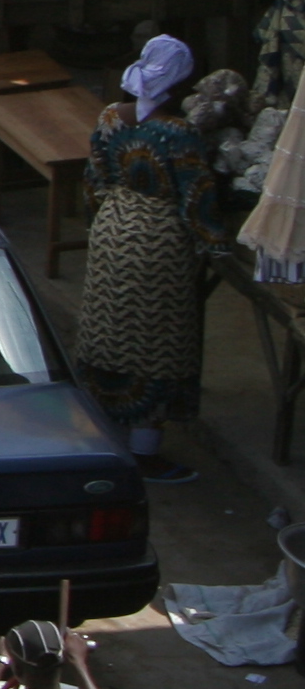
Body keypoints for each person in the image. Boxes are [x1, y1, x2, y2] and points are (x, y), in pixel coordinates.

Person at [83, 36, 222, 480]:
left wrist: (114, 218)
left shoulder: (109, 118)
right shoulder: (179, 133)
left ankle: (105, 437)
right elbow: (195, 199)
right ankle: (144, 454)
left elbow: (94, 180)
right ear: (179, 86)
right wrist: (215, 242)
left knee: (109, 338)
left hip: (111, 234)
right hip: (160, 249)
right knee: (157, 349)